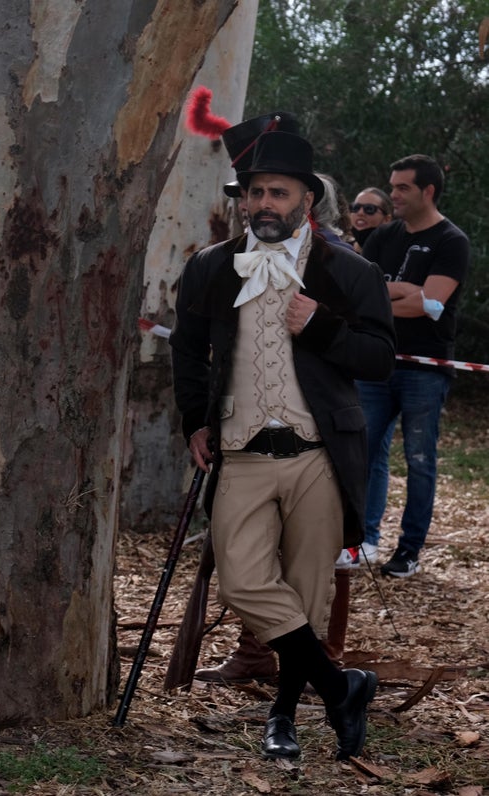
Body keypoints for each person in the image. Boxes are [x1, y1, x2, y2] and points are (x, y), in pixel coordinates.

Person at [170, 129, 394, 761]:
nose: (263, 204)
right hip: (240, 452)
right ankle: (340, 686)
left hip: (318, 455)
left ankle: (286, 714)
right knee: (241, 582)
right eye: (254, 194)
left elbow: (380, 358)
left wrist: (321, 325)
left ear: (307, 198)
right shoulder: (211, 267)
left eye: (277, 192)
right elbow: (186, 350)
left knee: (306, 591)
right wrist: (194, 420)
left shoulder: (347, 269)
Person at [358, 155, 469, 577]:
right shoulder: (384, 236)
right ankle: (361, 540)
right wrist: (407, 293)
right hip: (376, 361)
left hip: (426, 369)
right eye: (392, 185)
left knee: (419, 460)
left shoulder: (451, 241)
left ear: (428, 191)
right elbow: (362, 297)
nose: (393, 195)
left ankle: (408, 551)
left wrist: (395, 297)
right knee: (362, 453)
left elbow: (432, 306)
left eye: (402, 188)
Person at [349, 187, 392, 252]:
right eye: (356, 207)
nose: (360, 213)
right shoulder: (339, 250)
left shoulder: (395, 253)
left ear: (386, 219)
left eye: (369, 209)